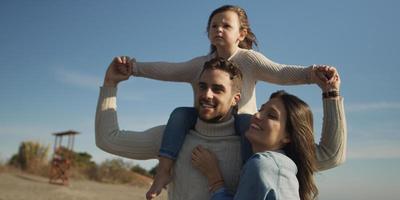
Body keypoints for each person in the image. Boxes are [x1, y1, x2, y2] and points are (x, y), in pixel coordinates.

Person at [112, 5, 338, 198]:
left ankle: (248, 177)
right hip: (207, 117)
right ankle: (163, 171)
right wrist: (135, 67)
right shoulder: (201, 64)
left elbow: (281, 72)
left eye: (226, 25)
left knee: (244, 122)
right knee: (180, 114)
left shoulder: (250, 60)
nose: (218, 29)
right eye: (214, 25)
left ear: (241, 33)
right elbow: (168, 70)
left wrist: (312, 74)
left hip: (242, 124)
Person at [96, 57, 347, 200]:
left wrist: (331, 94)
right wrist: (110, 85)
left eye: (218, 89)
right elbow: (109, 140)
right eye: (202, 86)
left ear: (236, 99)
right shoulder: (171, 138)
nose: (206, 94)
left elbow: (331, 155)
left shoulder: (255, 144)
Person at [191, 73, 343, 200]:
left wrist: (215, 178)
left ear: (288, 136)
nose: (257, 115)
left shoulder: (263, 165)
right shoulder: (280, 165)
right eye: (261, 109)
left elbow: (331, 154)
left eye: (271, 115)